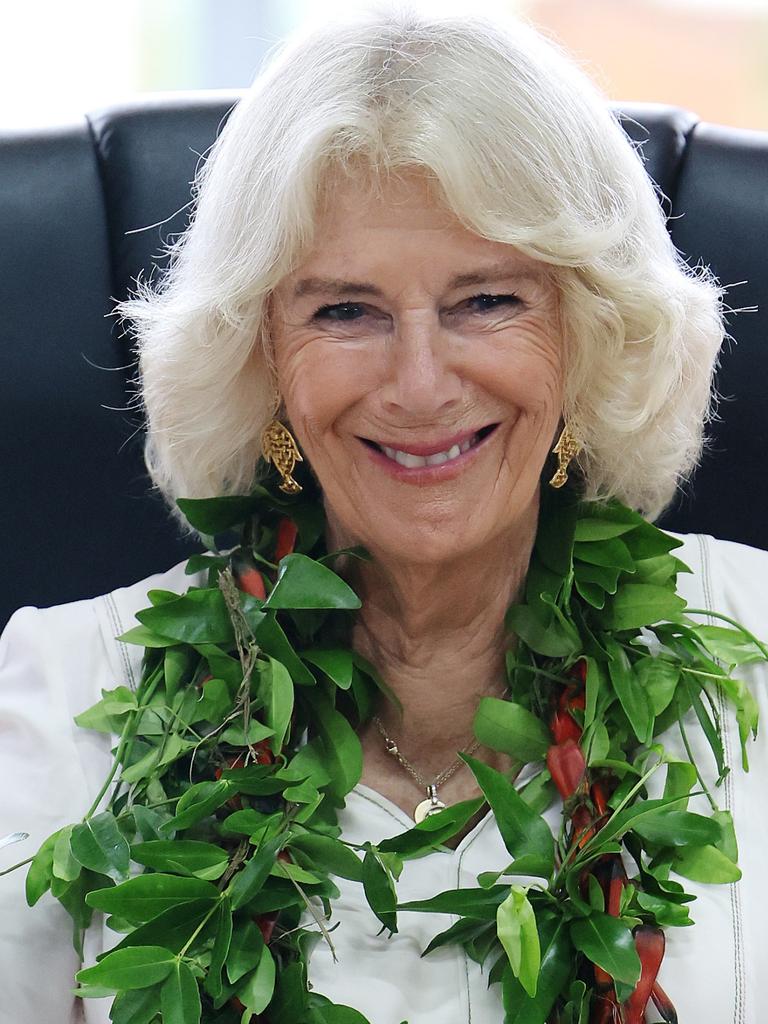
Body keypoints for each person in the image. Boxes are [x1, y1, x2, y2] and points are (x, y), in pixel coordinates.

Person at [1, 6, 767, 1024]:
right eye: (344, 311)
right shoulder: (65, 703)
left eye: (487, 301)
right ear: (261, 356)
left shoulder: (756, 646)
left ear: (589, 332)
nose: (418, 385)